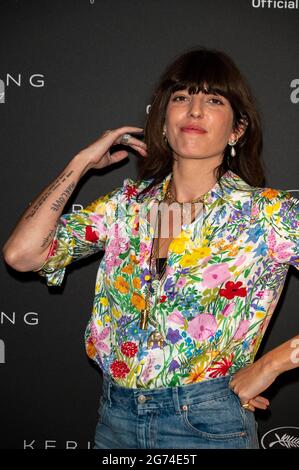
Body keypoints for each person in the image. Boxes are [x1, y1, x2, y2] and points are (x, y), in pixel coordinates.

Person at [3, 47, 299, 450]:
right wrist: (81, 163)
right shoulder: (125, 206)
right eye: (181, 98)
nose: (194, 110)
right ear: (162, 120)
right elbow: (22, 255)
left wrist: (271, 365)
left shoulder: (270, 214)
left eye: (213, 99)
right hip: (115, 419)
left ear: (237, 130)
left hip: (208, 421)